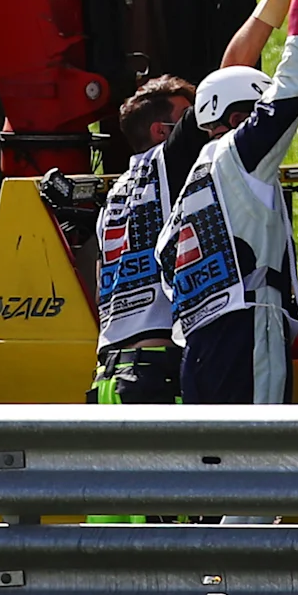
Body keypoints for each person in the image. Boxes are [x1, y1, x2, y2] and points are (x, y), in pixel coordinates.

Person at [160, 0, 298, 406]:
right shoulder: (240, 154)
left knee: (218, 464)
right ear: (242, 113)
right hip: (248, 333)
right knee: (257, 461)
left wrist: (296, 336)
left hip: (203, 345)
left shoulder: (199, 177)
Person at [90, 72, 199, 404]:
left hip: (108, 373)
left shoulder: (116, 193)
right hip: (155, 373)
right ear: (160, 131)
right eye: (184, 118)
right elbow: (217, 93)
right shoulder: (165, 165)